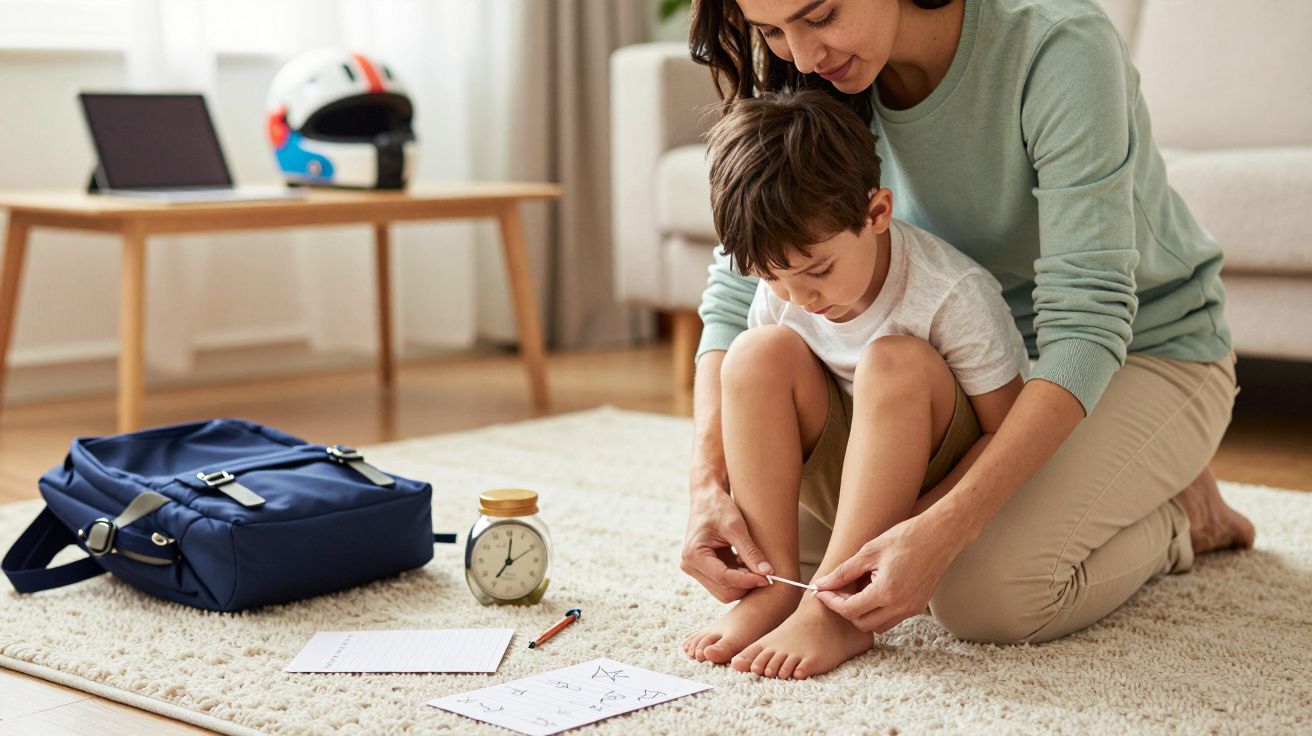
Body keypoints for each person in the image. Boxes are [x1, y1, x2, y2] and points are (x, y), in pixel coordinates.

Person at [680, 0, 1256, 667]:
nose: (803, 57)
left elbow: (1088, 324)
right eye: (771, 31)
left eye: (823, 15)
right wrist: (707, 483)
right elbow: (737, 293)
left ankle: (1183, 518)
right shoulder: (809, 59)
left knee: (984, 592)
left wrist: (945, 526)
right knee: (791, 549)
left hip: (1140, 352)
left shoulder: (1058, 46)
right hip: (939, 371)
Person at [682, 89, 1029, 679]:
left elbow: (1007, 434)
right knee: (754, 354)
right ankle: (774, 585)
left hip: (934, 477)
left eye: (818, 270)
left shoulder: (951, 293)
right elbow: (767, 402)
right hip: (847, 473)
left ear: (877, 213)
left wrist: (923, 527)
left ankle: (835, 607)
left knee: (893, 362)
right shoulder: (785, 291)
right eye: (773, 277)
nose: (799, 297)